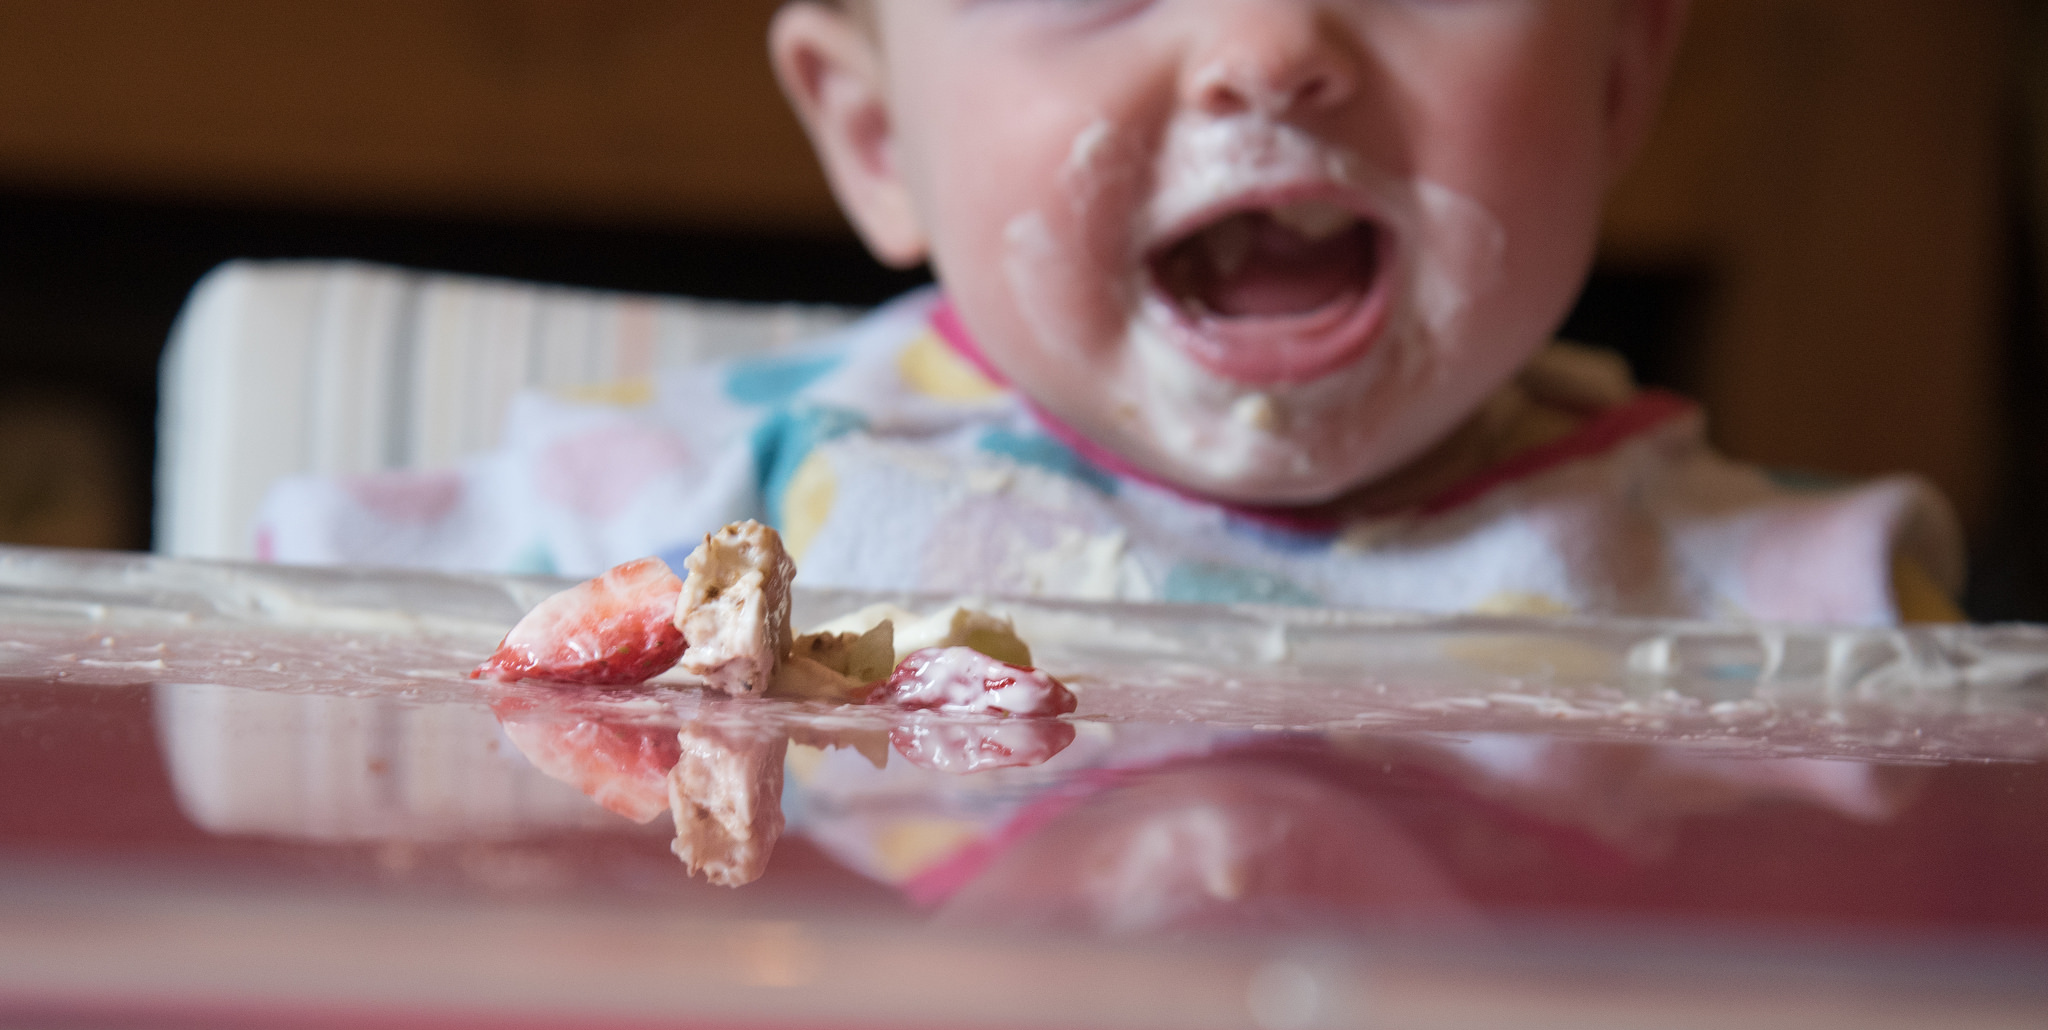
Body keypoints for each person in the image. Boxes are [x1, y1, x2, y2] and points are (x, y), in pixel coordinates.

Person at [257, 0, 1962, 625]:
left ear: (1619, 77)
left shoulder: (1794, 622)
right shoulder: (709, 512)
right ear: (874, 134)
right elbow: (269, 659)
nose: (1269, 43)